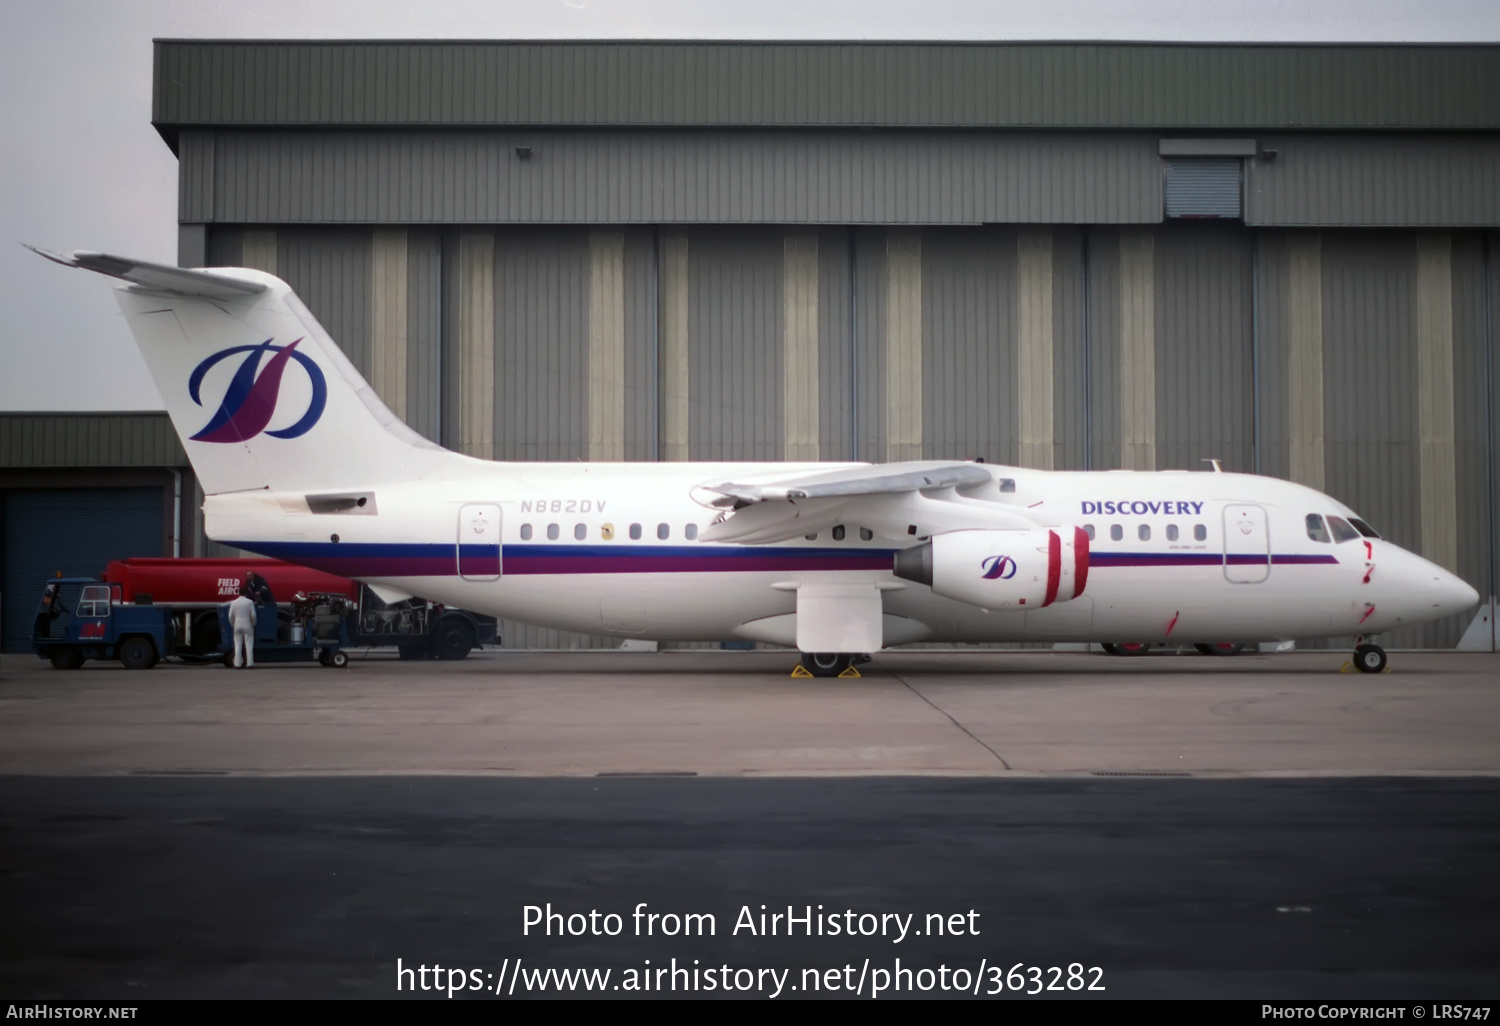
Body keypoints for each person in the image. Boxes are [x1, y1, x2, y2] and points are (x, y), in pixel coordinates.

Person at [228, 586, 258, 668]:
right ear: (246, 593)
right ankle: (249, 663)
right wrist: (253, 624)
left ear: (239, 593)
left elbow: (230, 616)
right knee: (249, 644)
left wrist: (233, 624)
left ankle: (237, 664)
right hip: (247, 623)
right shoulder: (249, 602)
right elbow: (253, 615)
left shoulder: (233, 602)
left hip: (237, 623)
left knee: (237, 645)